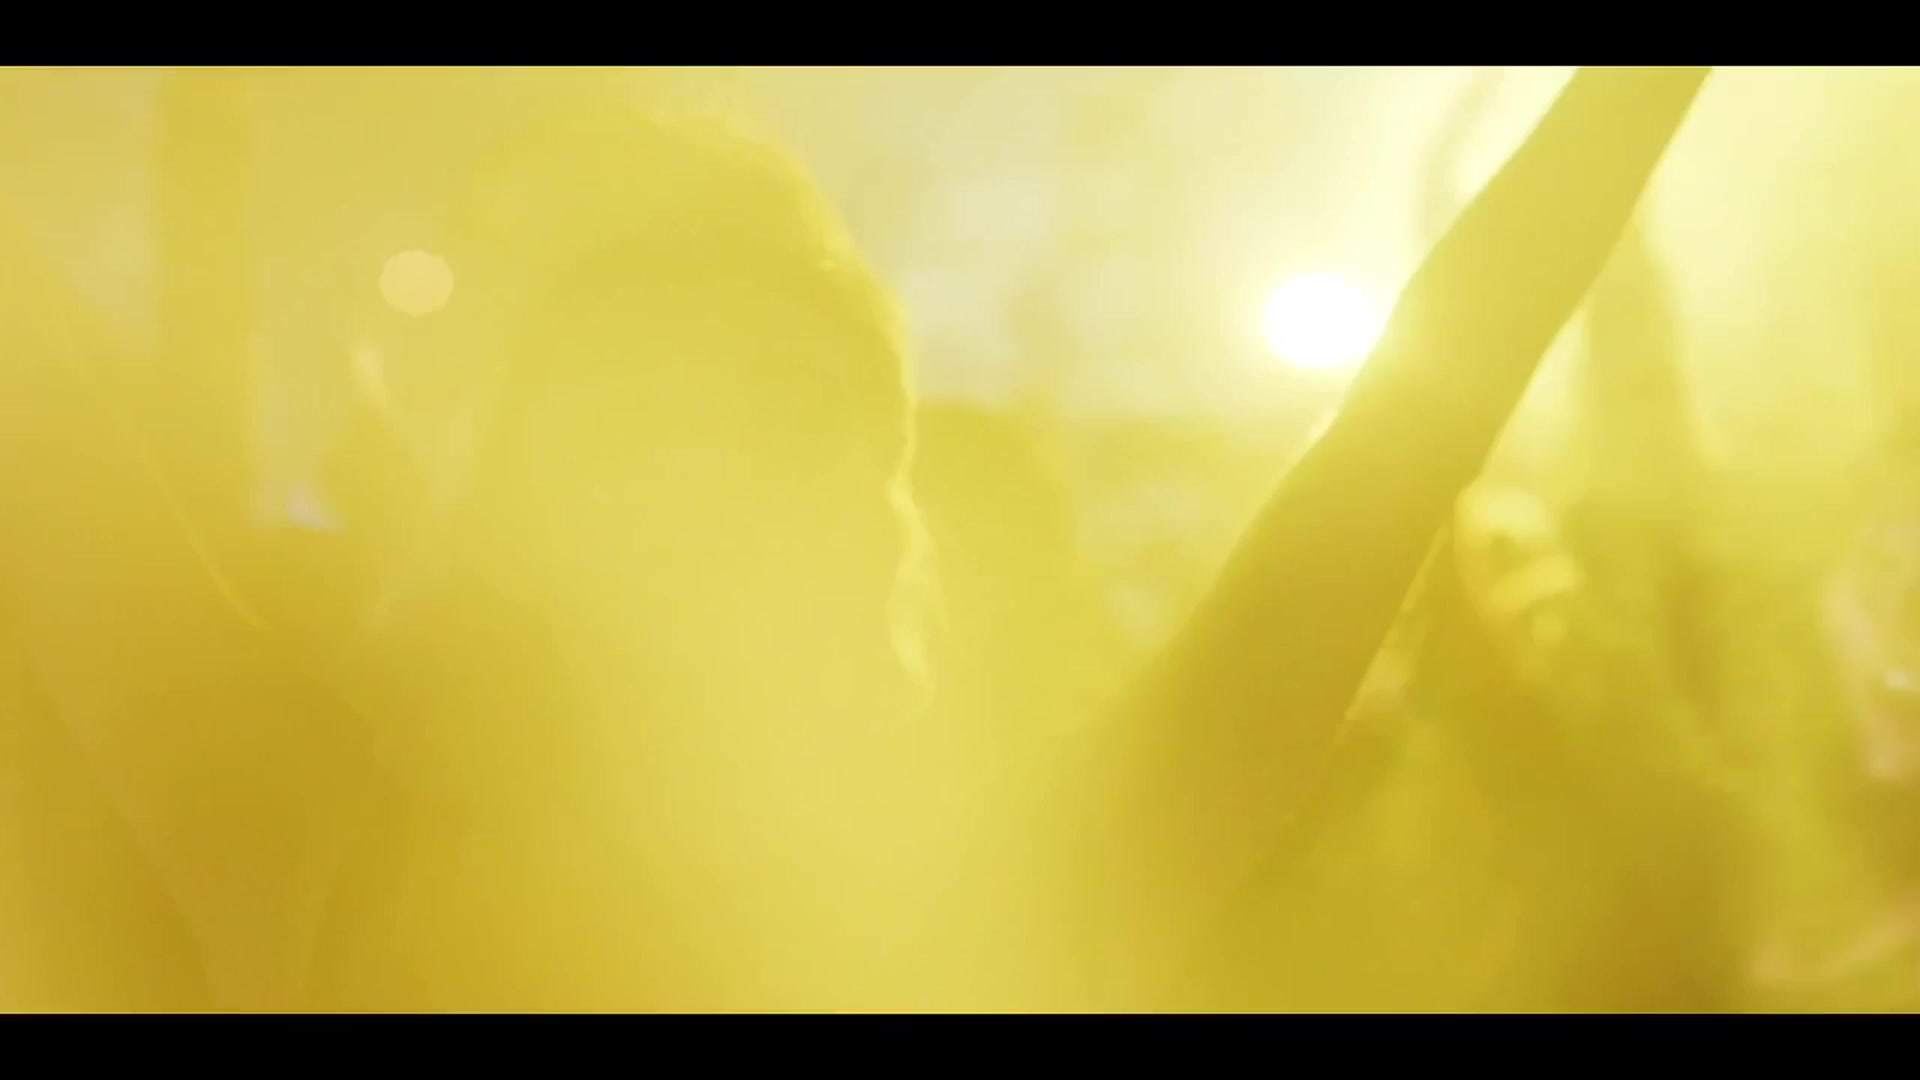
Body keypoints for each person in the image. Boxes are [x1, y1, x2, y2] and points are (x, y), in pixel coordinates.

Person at [0, 66, 1710, 1010]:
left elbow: (1391, 463)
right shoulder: (305, 827)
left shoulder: (1040, 895)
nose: (716, 487)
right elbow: (47, 418)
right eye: (639, 423)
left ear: (874, 516)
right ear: (520, 503)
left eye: (783, 421)